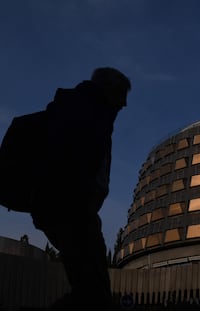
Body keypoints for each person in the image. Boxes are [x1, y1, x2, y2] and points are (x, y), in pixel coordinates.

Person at [30, 67, 131, 311]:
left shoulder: (82, 109)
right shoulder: (87, 112)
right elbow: (72, 162)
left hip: (65, 208)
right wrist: (80, 201)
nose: (124, 104)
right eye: (121, 94)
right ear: (108, 89)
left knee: (90, 288)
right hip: (69, 208)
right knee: (94, 292)